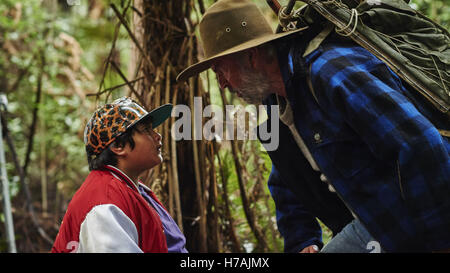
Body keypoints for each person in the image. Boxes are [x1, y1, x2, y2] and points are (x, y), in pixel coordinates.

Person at [177, 0, 450, 253]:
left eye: (221, 70)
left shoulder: (330, 73)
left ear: (251, 57)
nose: (222, 84)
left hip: (419, 219)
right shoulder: (277, 107)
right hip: (374, 223)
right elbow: (286, 180)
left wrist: (437, 241)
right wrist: (303, 239)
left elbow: (420, 145)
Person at [52, 97, 187, 253]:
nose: (157, 136)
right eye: (146, 130)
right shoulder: (104, 205)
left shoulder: (133, 189)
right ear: (118, 146)